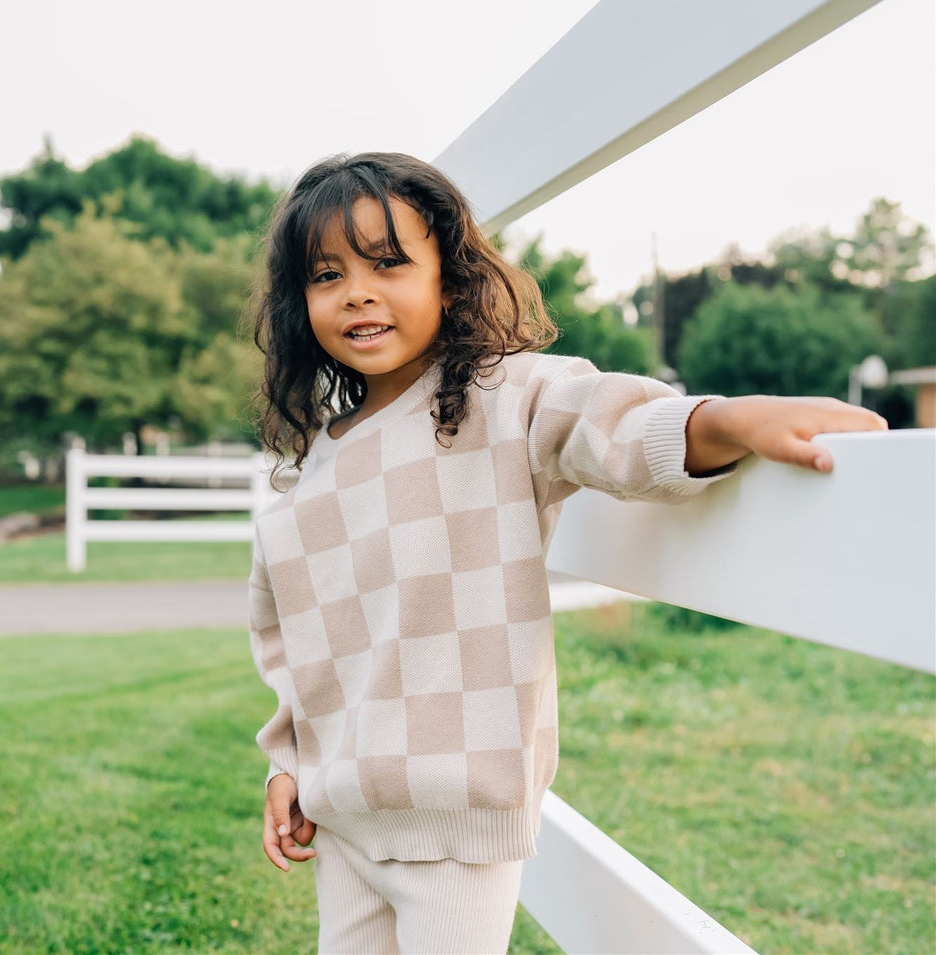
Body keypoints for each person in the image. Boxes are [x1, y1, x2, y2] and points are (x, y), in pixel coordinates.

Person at [245, 152, 887, 954]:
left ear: (447, 281)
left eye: (388, 263)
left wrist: (726, 421)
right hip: (342, 814)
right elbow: (289, 643)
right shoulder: (305, 477)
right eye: (325, 273)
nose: (357, 291)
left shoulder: (497, 399)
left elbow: (603, 423)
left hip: (457, 821)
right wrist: (286, 763)